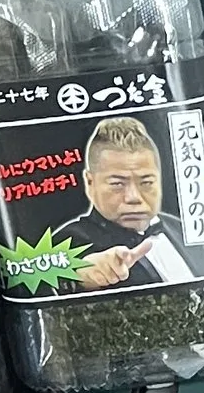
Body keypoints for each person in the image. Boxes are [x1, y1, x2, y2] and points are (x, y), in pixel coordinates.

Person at [69, 120, 193, 289]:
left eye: (146, 182)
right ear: (90, 182)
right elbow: (43, 282)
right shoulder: (67, 241)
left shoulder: (182, 228)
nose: (133, 197)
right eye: (117, 184)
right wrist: (78, 278)